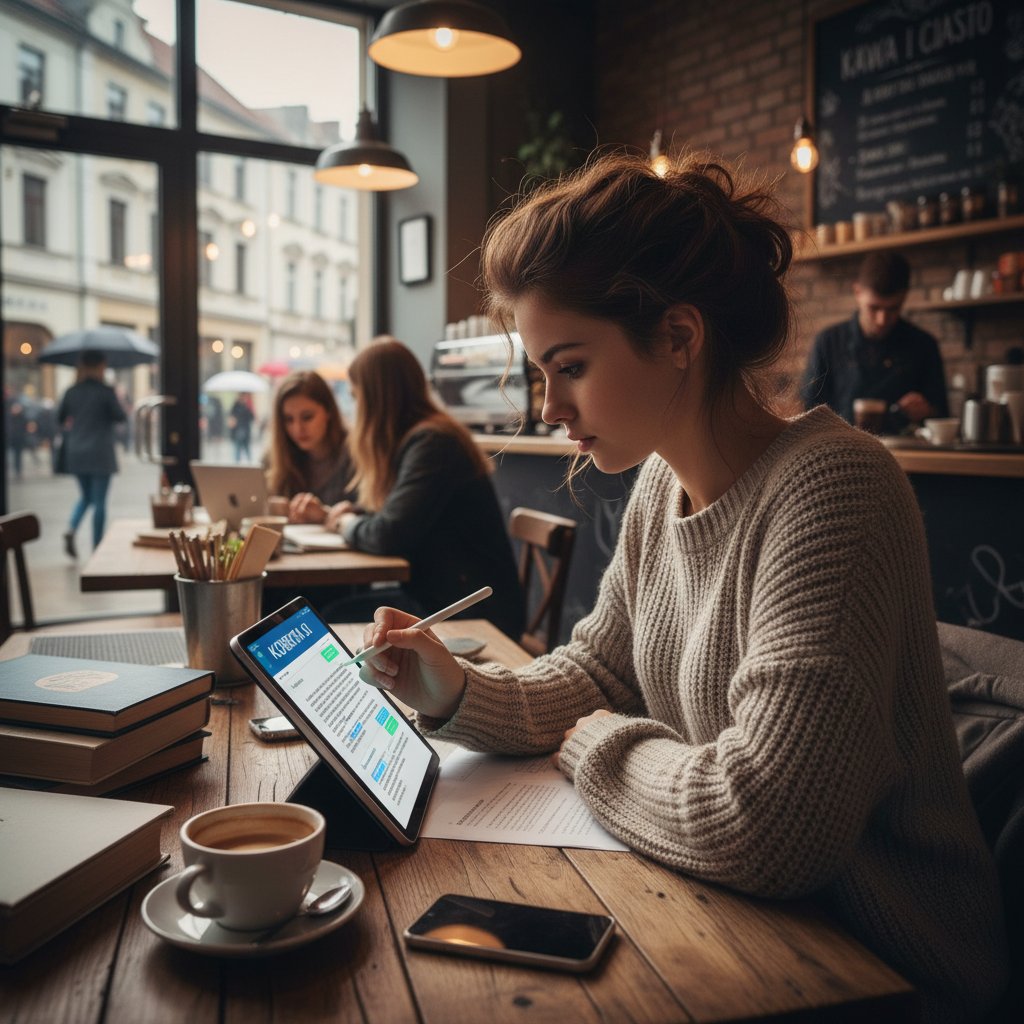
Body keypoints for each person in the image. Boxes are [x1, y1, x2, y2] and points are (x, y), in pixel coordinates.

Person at [352, 155, 1007, 1022]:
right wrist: (457, 688)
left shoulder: (836, 488)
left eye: (570, 366)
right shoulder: (663, 485)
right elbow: (599, 673)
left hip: (882, 966)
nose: (548, 406)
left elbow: (769, 823)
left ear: (678, 338)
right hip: (741, 920)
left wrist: (596, 748)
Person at [324, 337, 524, 641]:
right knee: (336, 610)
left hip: (469, 609)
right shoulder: (425, 437)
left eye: (356, 396)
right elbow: (403, 514)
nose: (355, 409)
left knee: (332, 617)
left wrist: (347, 523)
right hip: (447, 594)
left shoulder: (433, 443)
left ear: (376, 397)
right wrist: (359, 512)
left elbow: (388, 534)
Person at [801, 251, 948, 432]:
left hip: (905, 455)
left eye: (893, 308)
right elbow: (808, 410)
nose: (882, 319)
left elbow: (942, 414)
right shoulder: (828, 341)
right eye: (874, 308)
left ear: (904, 297)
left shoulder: (924, 345)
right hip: (839, 451)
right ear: (857, 292)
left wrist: (927, 410)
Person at [57, 349, 127, 557]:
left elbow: (60, 418)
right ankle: (97, 546)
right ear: (100, 367)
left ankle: (71, 528)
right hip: (100, 452)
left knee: (86, 496)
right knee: (99, 501)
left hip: (76, 451)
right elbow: (120, 416)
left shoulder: (71, 391)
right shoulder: (105, 391)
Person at [265, 370, 355, 522]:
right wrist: (268, 506)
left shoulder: (355, 453)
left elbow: (371, 514)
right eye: (288, 419)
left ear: (328, 412)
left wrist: (326, 514)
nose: (298, 428)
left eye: (307, 417)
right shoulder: (275, 455)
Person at [228, 394, 255, 462]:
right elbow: (231, 418)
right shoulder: (235, 407)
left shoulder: (246, 407)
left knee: (245, 448)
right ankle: (237, 463)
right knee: (238, 448)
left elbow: (251, 417)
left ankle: (249, 462)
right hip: (238, 430)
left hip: (245, 430)